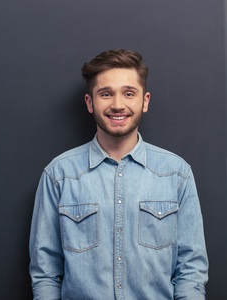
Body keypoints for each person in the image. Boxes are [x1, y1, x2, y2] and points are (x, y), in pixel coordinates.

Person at [29, 49, 208, 300]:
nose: (117, 104)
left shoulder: (177, 174)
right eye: (105, 94)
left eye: (128, 93)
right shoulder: (59, 175)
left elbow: (191, 270)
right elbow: (45, 272)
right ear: (90, 102)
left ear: (144, 101)